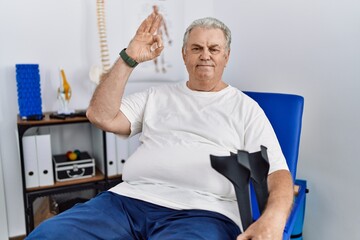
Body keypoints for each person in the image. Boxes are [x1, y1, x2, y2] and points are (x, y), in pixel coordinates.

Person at [27, 13, 293, 240]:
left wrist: (274, 218)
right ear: (184, 54)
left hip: (203, 213)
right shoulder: (156, 96)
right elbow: (100, 116)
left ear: (226, 56)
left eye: (214, 49)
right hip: (125, 203)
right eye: (197, 48)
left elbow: (278, 173)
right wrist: (129, 57)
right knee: (47, 235)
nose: (205, 56)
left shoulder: (245, 108)